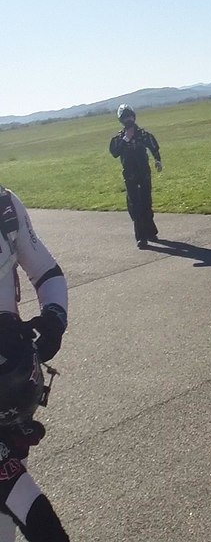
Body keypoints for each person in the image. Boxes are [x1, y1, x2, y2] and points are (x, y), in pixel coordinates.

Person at [0, 185, 69, 542]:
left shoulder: (5, 204)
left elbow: (45, 270)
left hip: (8, 388)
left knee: (9, 519)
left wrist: (55, 318)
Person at [108, 104, 162, 248]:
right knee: (135, 204)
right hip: (130, 175)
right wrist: (126, 138)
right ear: (121, 120)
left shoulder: (143, 134)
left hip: (144, 173)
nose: (128, 120)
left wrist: (157, 160)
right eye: (125, 118)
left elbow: (153, 146)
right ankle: (141, 237)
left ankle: (151, 232)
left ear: (134, 116)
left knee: (146, 202)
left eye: (130, 116)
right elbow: (115, 152)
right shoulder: (119, 138)